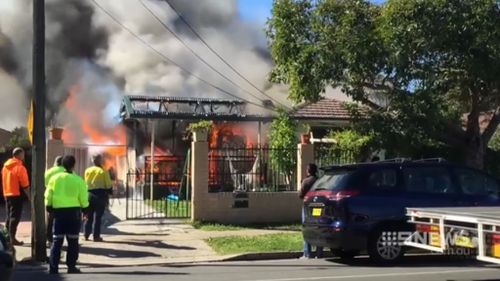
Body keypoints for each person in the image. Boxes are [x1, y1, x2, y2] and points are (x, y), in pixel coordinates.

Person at [45, 155, 88, 274]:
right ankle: (71, 266)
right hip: (74, 213)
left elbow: (48, 195)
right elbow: (83, 198)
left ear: (62, 165)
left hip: (58, 213)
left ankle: (53, 267)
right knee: (73, 241)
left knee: (57, 240)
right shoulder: (78, 180)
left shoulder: (54, 179)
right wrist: (85, 209)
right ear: (73, 165)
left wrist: (49, 206)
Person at [2, 147, 30, 246]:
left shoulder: (5, 166)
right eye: (23, 154)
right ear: (18, 155)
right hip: (16, 195)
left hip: (7, 193)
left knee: (9, 216)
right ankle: (12, 239)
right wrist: (30, 196)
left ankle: (6, 237)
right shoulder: (19, 167)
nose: (24, 156)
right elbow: (25, 184)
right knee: (15, 217)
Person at [84, 154, 112, 242]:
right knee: (98, 217)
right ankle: (96, 236)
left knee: (89, 216)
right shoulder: (103, 171)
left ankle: (86, 234)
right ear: (100, 161)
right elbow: (108, 184)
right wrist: (110, 191)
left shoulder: (87, 170)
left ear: (92, 161)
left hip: (89, 194)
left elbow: (85, 183)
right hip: (100, 195)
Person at [299, 163, 323, 259]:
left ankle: (307, 253)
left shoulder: (306, 181)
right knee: (318, 228)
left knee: (307, 228)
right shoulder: (320, 180)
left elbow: (300, 195)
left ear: (308, 171)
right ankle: (319, 252)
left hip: (308, 207)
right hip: (318, 207)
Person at [44, 156, 64, 245]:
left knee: (50, 220)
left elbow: (45, 184)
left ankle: (49, 239)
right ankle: (59, 238)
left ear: (55, 162)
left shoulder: (49, 172)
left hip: (51, 199)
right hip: (64, 201)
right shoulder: (67, 172)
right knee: (61, 220)